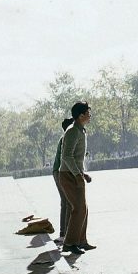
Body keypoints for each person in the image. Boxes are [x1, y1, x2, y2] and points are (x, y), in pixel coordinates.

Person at [59, 101, 95, 255]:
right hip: (68, 175)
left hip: (75, 174)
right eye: (88, 113)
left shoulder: (80, 130)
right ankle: (69, 243)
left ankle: (81, 241)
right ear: (81, 116)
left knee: (83, 209)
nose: (90, 115)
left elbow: (76, 157)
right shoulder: (73, 131)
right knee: (78, 209)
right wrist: (77, 175)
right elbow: (66, 156)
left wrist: (83, 173)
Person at [52, 117, 74, 244]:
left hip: (60, 172)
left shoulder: (68, 138)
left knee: (67, 202)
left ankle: (65, 233)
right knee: (66, 202)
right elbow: (65, 158)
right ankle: (63, 234)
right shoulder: (66, 139)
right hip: (59, 172)